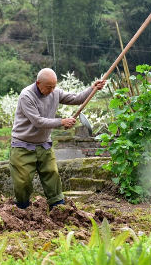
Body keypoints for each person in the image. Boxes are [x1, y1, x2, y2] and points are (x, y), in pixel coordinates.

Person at [10, 68, 106, 209]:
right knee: (23, 181)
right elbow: (37, 121)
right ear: (38, 83)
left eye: (54, 86)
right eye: (49, 87)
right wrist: (61, 122)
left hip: (44, 144)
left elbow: (76, 98)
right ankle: (21, 207)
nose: (52, 90)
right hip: (23, 145)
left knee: (52, 175)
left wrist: (92, 88)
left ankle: (58, 207)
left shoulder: (54, 92)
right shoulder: (27, 96)